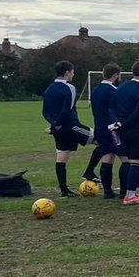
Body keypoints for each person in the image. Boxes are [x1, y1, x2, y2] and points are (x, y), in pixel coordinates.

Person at [42, 60, 94, 198]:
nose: (73, 75)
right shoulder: (69, 88)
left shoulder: (49, 89)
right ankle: (89, 172)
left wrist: (54, 126)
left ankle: (64, 190)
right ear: (67, 73)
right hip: (72, 126)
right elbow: (67, 110)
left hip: (59, 129)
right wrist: (57, 126)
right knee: (104, 140)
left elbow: (45, 112)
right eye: (72, 72)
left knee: (61, 157)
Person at [110, 60, 139, 205]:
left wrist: (118, 123)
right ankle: (130, 195)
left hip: (122, 129)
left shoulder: (121, 87)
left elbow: (112, 107)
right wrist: (126, 123)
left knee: (134, 159)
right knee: (137, 161)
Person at [89, 63, 123, 198]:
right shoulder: (114, 91)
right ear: (115, 75)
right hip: (113, 130)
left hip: (99, 128)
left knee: (107, 158)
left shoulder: (95, 90)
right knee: (126, 159)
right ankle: (125, 191)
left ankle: (107, 191)